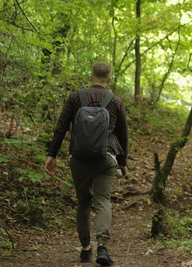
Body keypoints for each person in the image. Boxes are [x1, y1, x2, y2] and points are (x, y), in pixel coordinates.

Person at [44, 62, 128, 266]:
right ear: (108, 80)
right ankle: (103, 248)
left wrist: (52, 154)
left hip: (79, 158)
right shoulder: (116, 101)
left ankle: (85, 250)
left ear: (91, 78)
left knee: (83, 203)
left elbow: (61, 126)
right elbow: (123, 134)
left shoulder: (75, 97)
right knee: (103, 201)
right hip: (106, 158)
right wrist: (123, 161)